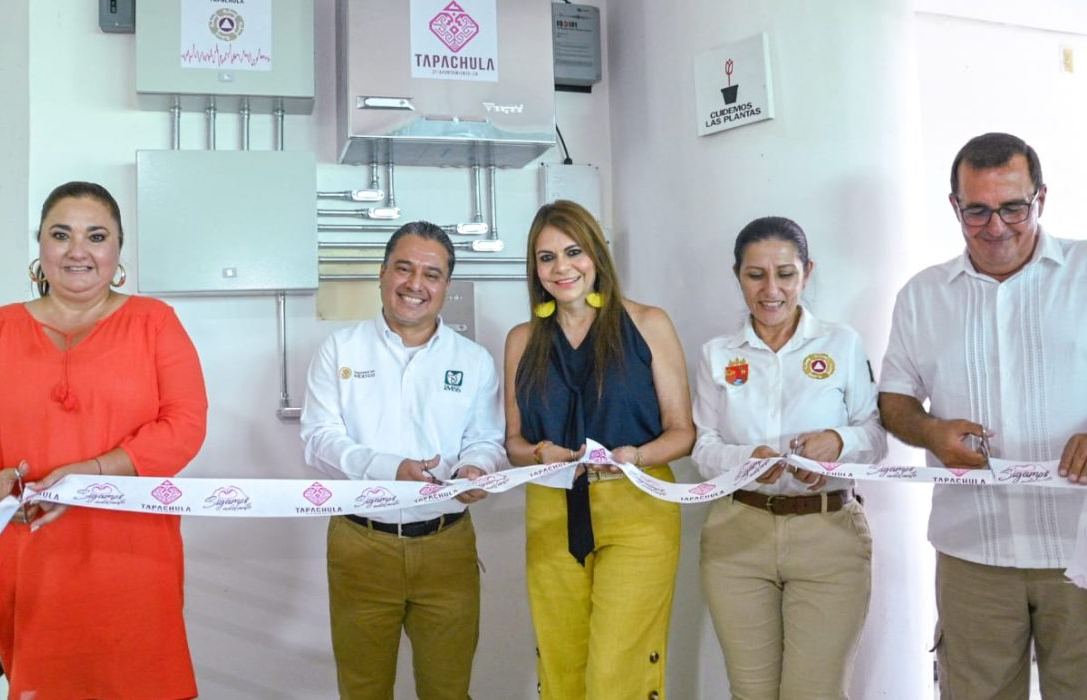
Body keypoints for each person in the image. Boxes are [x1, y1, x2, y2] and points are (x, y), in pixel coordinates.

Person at [0, 181, 208, 698]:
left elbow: (185, 425)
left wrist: (94, 473)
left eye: (96, 236)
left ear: (118, 249)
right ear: (40, 245)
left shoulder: (154, 323)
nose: (78, 250)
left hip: (132, 558)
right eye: (61, 235)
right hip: (30, 555)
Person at [879, 132, 1087, 699]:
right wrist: (929, 431)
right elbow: (893, 400)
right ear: (955, 206)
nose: (996, 227)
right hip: (973, 554)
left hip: (1080, 546)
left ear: (1042, 198)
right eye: (977, 211)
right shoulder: (922, 296)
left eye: (1013, 207)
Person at [300, 221, 505, 699]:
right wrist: (390, 469)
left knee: (448, 691)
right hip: (360, 545)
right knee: (363, 690)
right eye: (404, 269)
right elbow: (318, 440)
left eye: (431, 274)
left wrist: (476, 469)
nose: (415, 284)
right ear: (382, 273)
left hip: (447, 547)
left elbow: (487, 439)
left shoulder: (474, 360)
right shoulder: (340, 349)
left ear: (446, 286)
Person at [503, 199, 694, 699]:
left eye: (574, 252)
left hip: (638, 507)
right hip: (551, 510)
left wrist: (635, 457)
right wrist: (538, 453)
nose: (561, 268)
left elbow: (682, 432)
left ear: (597, 255)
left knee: (617, 672)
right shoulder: (522, 340)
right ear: (535, 269)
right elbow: (514, 442)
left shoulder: (648, 323)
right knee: (561, 665)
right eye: (546, 258)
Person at [692, 216, 886, 699]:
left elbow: (875, 436)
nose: (771, 290)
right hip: (738, 535)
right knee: (750, 692)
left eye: (785, 274)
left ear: (807, 272)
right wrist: (747, 459)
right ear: (737, 275)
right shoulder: (717, 354)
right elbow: (703, 448)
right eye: (755, 275)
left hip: (828, 535)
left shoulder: (841, 343)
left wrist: (838, 441)